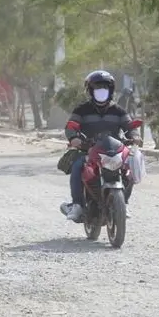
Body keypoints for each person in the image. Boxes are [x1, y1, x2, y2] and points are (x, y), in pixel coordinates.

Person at [60, 70, 142, 223]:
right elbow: (71, 127)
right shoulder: (82, 110)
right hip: (88, 150)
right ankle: (77, 205)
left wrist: (135, 136)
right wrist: (73, 138)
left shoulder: (118, 110)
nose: (101, 91)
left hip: (114, 151)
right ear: (91, 91)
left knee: (129, 166)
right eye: (97, 88)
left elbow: (130, 126)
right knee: (78, 165)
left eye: (105, 88)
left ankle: (124, 202)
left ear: (110, 90)